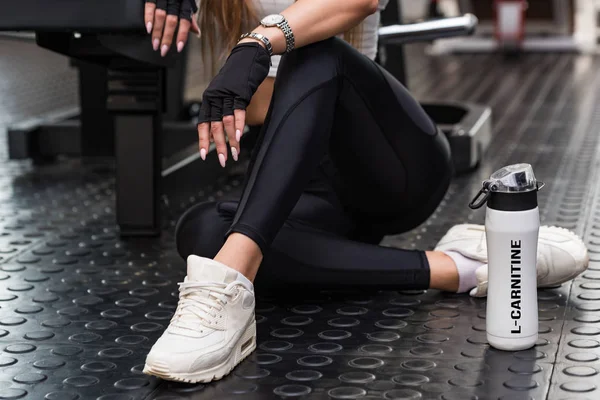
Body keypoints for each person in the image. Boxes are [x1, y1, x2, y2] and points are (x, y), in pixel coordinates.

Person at [141, 0, 589, 384]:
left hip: (387, 167)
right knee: (200, 233)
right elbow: (250, 106)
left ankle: (228, 288)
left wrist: (257, 43)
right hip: (304, 185)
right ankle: (459, 267)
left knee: (314, 52)